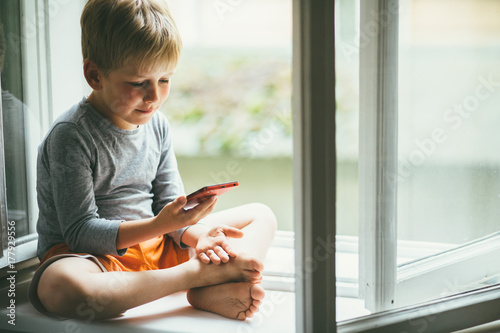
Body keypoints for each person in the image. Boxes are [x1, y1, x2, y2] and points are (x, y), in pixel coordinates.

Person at [27, 0, 276, 322]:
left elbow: (169, 206)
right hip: (95, 258)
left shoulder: (157, 124)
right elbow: (80, 232)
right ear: (94, 75)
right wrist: (162, 225)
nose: (154, 97)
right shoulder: (71, 135)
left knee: (261, 215)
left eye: (165, 80)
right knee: (61, 288)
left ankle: (206, 284)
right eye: (138, 83)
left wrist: (200, 237)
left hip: (159, 246)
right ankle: (199, 277)